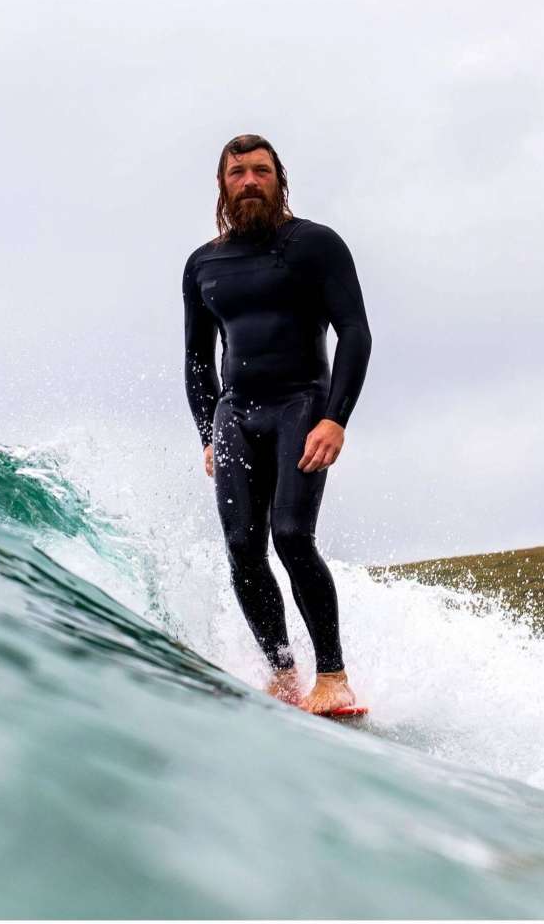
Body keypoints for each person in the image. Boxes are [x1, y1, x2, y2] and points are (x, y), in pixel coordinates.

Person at [181, 133, 372, 715]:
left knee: (290, 535)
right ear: (222, 185)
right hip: (235, 414)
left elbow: (355, 332)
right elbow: (197, 358)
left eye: (261, 171)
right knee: (242, 547)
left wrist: (335, 418)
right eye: (237, 173)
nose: (249, 182)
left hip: (301, 405)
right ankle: (285, 674)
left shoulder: (315, 244)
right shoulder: (203, 264)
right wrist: (208, 434)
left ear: (279, 180)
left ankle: (333, 678)